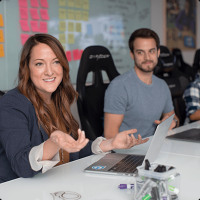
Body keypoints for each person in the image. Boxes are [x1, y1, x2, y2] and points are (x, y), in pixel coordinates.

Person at [0, 34, 149, 184]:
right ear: (26, 67)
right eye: (39, 64)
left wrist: (110, 144)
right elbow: (22, 165)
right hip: (19, 189)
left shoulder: (57, 99)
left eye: (56, 62)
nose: (50, 71)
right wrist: (55, 142)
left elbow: (74, 149)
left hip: (57, 182)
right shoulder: (12, 103)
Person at [104, 28, 179, 139]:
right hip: (126, 152)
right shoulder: (119, 86)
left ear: (158, 53)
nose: (147, 57)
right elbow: (110, 136)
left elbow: (174, 118)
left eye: (151, 51)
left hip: (152, 148)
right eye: (140, 52)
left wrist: (173, 122)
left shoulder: (162, 85)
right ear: (132, 55)